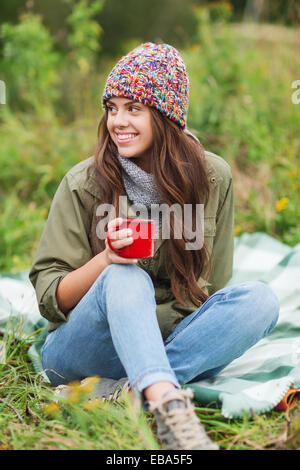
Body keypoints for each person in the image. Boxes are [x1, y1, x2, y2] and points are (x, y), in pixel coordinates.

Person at [29, 42, 280, 450]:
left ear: (165, 116)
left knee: (261, 301)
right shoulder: (83, 184)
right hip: (84, 350)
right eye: (112, 107)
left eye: (134, 108)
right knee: (125, 276)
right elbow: (48, 296)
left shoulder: (212, 177)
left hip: (169, 339)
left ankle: (133, 388)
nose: (118, 121)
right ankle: (168, 407)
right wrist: (106, 260)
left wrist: (157, 328)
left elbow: (212, 286)